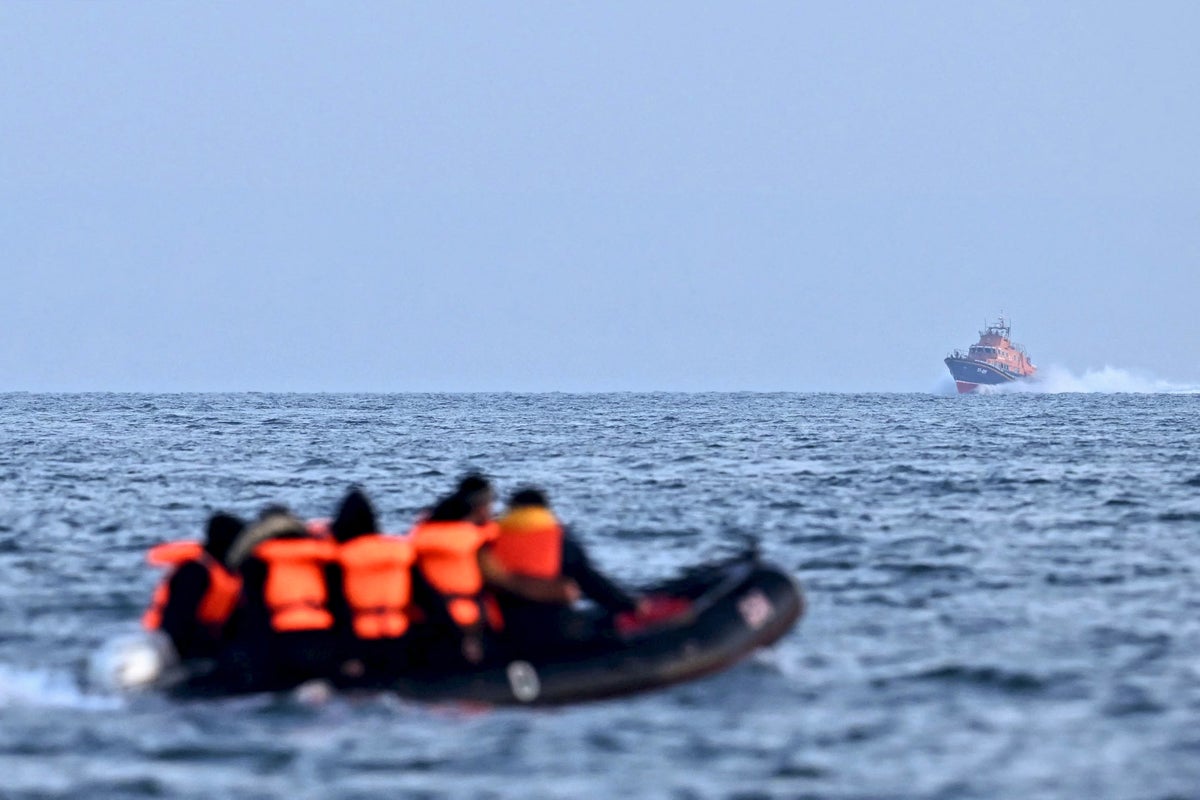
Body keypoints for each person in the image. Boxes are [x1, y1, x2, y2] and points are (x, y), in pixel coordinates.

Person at [408, 474, 573, 667]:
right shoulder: (475, 541)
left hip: (425, 627)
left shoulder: (420, 537)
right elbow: (500, 580)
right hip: (471, 627)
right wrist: (555, 592)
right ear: (480, 507)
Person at [492, 488, 640, 657]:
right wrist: (630, 605)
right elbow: (592, 583)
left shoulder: (492, 541)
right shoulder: (558, 539)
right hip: (555, 628)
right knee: (605, 623)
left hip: (506, 631)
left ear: (511, 509)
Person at [218, 505, 340, 691]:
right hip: (322, 638)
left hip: (279, 639)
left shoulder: (258, 559)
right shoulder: (319, 556)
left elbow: (251, 610)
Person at [324, 487, 415, 684]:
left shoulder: (341, 557)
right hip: (398, 636)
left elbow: (338, 608)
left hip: (360, 641)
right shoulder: (398, 552)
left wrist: (347, 654)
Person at [142, 512, 245, 661]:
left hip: (205, 641)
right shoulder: (194, 572)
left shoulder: (228, 573)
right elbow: (177, 622)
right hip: (168, 644)